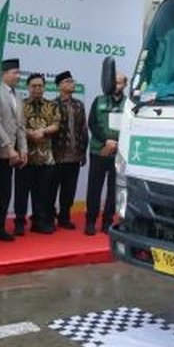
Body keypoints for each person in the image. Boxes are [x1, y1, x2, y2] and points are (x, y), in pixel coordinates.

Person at [0, 58, 25, 241]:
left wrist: (22, 149)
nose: (18, 76)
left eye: (18, 72)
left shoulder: (17, 96)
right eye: (15, 72)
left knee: (4, 194)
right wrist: (9, 147)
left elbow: (21, 126)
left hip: (11, 156)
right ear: (3, 74)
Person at [85, 72, 127, 235]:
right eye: (114, 82)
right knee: (94, 188)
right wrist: (106, 141)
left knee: (113, 190)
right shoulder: (99, 100)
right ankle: (90, 221)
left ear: (125, 85)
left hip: (119, 153)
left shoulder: (129, 104)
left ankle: (107, 222)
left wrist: (116, 144)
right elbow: (92, 123)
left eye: (120, 83)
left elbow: (131, 127)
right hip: (99, 151)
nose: (116, 85)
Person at [21, 73, 59, 234]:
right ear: (28, 87)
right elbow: (17, 125)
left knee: (42, 193)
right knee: (22, 193)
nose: (37, 89)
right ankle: (19, 223)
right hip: (24, 156)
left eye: (40, 86)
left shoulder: (52, 105)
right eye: (34, 86)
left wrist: (42, 131)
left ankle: (39, 222)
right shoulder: (20, 104)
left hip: (45, 157)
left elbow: (56, 125)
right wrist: (30, 134)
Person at [50, 71, 87, 231]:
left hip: (75, 155)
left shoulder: (79, 104)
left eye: (72, 81)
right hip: (56, 155)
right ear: (59, 86)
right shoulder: (52, 105)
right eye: (68, 81)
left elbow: (83, 129)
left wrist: (83, 152)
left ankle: (64, 217)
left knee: (69, 190)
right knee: (51, 189)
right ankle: (49, 217)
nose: (72, 84)